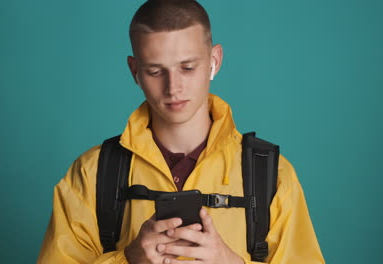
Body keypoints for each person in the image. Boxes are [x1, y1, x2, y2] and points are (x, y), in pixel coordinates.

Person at [38, 1, 325, 263]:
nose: (173, 87)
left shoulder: (272, 175)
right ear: (134, 70)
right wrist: (129, 259)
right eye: (154, 71)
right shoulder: (90, 174)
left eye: (187, 67)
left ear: (214, 61)